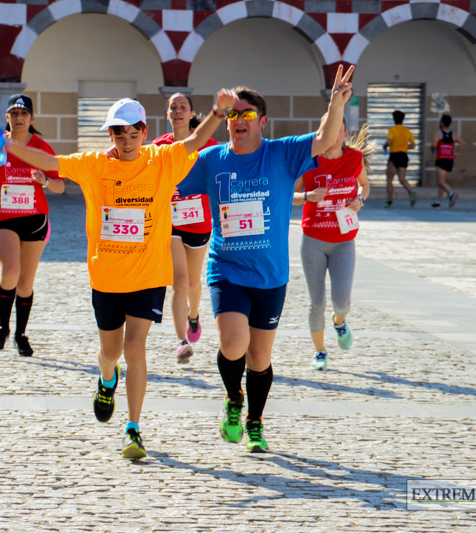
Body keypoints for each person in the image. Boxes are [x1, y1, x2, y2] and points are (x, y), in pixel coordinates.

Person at [4, 91, 238, 459]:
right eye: (119, 135)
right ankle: (106, 379)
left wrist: (216, 112)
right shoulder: (94, 165)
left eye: (133, 134)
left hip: (147, 277)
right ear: (109, 135)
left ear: (145, 132)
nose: (127, 142)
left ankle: (133, 429)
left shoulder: (162, 161)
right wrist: (10, 147)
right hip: (107, 278)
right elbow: (51, 161)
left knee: (135, 347)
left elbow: (193, 141)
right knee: (111, 352)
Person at [177, 64, 355, 453]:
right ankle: (233, 398)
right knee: (233, 344)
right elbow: (171, 176)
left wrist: (336, 103)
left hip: (271, 276)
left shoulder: (282, 153)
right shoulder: (211, 160)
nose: (238, 120)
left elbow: (326, 137)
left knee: (259, 357)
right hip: (227, 268)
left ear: (262, 121)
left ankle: (255, 421)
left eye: (246, 114)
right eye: (232, 115)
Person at [0, 94, 64, 358]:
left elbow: (59, 186)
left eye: (24, 114)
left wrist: (44, 180)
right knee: (10, 270)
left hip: (35, 220)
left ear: (31, 118)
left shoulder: (41, 148)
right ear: (7, 118)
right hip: (2, 216)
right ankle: (2, 327)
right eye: (14, 114)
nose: (19, 118)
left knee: (25, 284)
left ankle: (20, 334)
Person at [293, 120, 371, 371]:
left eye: (337, 129)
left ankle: (340, 322)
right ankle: (320, 351)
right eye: (326, 129)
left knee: (342, 302)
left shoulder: (354, 158)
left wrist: (360, 198)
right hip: (313, 240)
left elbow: (364, 185)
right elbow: (289, 195)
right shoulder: (309, 160)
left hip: (343, 242)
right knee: (317, 301)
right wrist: (307, 196)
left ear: (344, 134)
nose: (331, 134)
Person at [152, 93, 218, 364]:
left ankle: (193, 315)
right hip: (170, 223)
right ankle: (181, 342)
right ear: (167, 114)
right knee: (178, 281)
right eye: (173, 108)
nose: (178, 111)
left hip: (199, 222)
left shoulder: (208, 145)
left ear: (191, 114)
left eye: (183, 107)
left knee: (192, 282)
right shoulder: (158, 147)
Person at [382, 110, 416, 208]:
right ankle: (411, 191)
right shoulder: (407, 131)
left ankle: (390, 202)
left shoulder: (392, 130)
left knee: (389, 179)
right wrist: (405, 147)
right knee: (402, 179)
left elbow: (389, 142)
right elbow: (413, 145)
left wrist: (384, 146)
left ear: (394, 119)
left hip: (394, 156)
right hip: (404, 156)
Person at [431, 114, 465, 209]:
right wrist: (456, 152)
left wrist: (432, 148)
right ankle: (438, 202)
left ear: (442, 123)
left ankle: (452, 194)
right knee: (443, 181)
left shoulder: (438, 133)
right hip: (449, 160)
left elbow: (434, 145)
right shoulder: (453, 135)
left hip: (441, 159)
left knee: (440, 182)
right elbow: (462, 143)